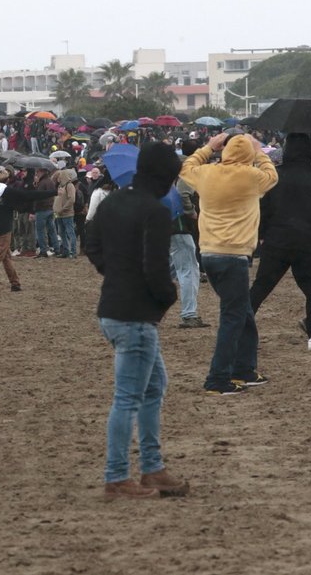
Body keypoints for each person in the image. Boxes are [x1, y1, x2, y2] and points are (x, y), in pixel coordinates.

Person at [85, 142, 189, 499]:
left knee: (153, 386)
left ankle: (153, 468)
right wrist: (168, 297)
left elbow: (91, 243)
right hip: (136, 316)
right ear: (165, 177)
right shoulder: (156, 212)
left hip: (112, 309)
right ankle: (117, 477)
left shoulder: (112, 201)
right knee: (128, 397)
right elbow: (156, 268)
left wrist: (112, 272)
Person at [179, 131, 278, 395]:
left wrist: (207, 148)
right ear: (247, 155)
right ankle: (218, 379)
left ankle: (244, 369)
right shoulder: (251, 177)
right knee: (233, 318)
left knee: (243, 313)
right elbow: (272, 176)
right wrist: (258, 152)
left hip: (209, 254)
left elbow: (187, 167)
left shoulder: (207, 173)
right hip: (234, 255)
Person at [249, 133, 311, 351]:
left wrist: (262, 234)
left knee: (260, 287)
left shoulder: (275, 175)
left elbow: (263, 209)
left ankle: (240, 328)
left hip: (277, 240)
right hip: (307, 241)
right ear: (309, 150)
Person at [170, 167, 208, 329]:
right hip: (180, 230)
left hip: (167, 231)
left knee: (169, 270)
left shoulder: (159, 185)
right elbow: (184, 196)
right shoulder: (176, 186)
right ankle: (189, 314)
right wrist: (191, 211)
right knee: (189, 271)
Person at [53, 168, 78, 258]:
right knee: (61, 232)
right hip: (59, 214)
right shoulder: (60, 186)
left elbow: (72, 199)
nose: (58, 178)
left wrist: (63, 208)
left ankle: (73, 252)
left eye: (59, 176)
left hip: (67, 214)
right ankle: (66, 251)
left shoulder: (69, 185)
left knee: (70, 232)